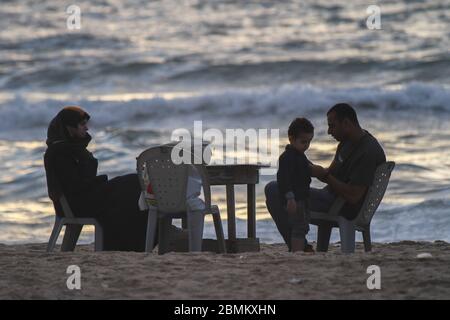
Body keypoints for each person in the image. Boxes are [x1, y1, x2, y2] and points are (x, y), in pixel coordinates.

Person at [265, 103, 386, 251]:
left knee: (273, 189)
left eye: (332, 126)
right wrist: (302, 165)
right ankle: (300, 245)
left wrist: (325, 176)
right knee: (280, 187)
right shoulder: (347, 144)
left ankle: (299, 247)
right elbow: (329, 173)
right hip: (330, 197)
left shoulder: (367, 151)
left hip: (342, 206)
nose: (329, 131)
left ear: (346, 123)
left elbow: (354, 196)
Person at [44, 106, 148, 251]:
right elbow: (75, 186)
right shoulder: (59, 152)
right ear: (69, 127)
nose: (86, 128)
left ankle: (140, 241)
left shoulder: (72, 148)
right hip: (77, 205)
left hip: (86, 198)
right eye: (82, 124)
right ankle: (127, 245)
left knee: (134, 185)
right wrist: (102, 182)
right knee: (132, 183)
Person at [277, 118, 316, 252]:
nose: (306, 145)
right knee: (298, 228)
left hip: (303, 199)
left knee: (302, 227)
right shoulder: (287, 157)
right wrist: (290, 198)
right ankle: (297, 252)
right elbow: (283, 180)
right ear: (291, 139)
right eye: (303, 142)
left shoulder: (300, 156)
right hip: (295, 199)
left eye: (309, 141)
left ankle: (299, 250)